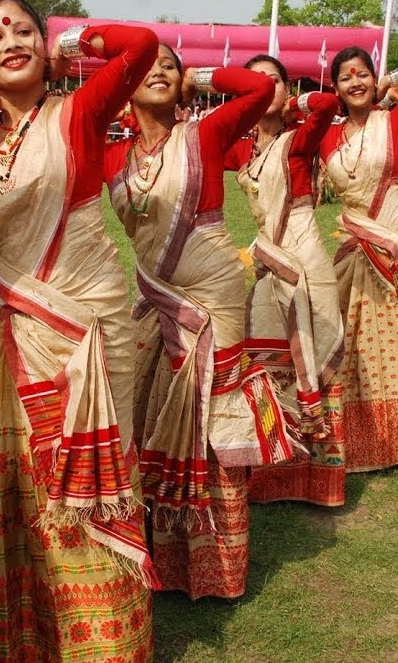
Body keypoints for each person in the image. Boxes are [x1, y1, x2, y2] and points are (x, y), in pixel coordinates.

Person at [0, 0, 159, 661]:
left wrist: (77, 41)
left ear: (46, 51)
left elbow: (140, 46)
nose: (10, 39)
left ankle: (104, 645)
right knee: (28, 481)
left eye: (23, 30)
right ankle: (32, 629)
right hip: (24, 329)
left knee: (92, 481)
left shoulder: (79, 112)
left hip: (91, 330)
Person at [104, 44, 294, 601]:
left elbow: (259, 91)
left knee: (214, 415)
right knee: (151, 406)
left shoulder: (205, 135)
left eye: (168, 63)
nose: (158, 71)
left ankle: (217, 565)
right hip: (156, 297)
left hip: (214, 296)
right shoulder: (113, 157)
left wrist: (198, 76)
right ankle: (160, 549)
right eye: (145, 65)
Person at [223, 54, 347, 508]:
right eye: (253, 83)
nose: (264, 88)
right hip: (268, 259)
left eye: (272, 81)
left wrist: (297, 102)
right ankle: (272, 465)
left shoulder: (299, 138)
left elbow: (330, 104)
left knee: (314, 348)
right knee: (269, 356)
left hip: (305, 257)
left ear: (287, 88)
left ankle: (318, 478)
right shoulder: (242, 148)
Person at [317, 49, 398, 471]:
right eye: (345, 77)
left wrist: (394, 75)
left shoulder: (396, 120)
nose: (355, 82)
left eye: (363, 75)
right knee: (352, 333)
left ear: (375, 82)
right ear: (334, 87)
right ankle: (360, 432)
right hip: (359, 239)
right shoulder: (326, 136)